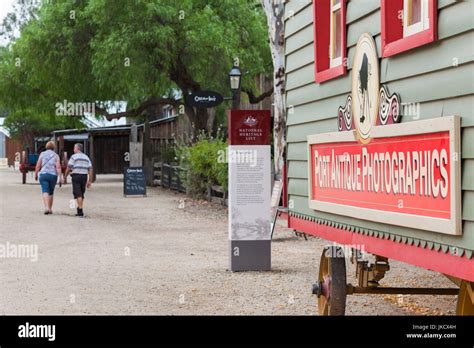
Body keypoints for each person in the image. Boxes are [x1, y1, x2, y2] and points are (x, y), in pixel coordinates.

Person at [34, 141, 63, 215]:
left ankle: (46, 207)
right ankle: (50, 209)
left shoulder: (42, 154)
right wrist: (60, 177)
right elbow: (58, 167)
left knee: (45, 190)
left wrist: (36, 174)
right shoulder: (56, 156)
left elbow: (38, 165)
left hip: (43, 174)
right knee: (51, 192)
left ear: (46, 146)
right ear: (54, 147)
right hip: (53, 175)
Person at [65, 143, 93, 217]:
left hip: (76, 176)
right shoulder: (86, 157)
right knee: (81, 193)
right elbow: (90, 169)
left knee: (78, 194)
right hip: (84, 176)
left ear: (77, 149)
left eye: (74, 148)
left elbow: (69, 167)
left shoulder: (74, 157)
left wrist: (65, 176)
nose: (73, 149)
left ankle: (80, 211)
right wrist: (90, 180)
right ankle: (79, 208)